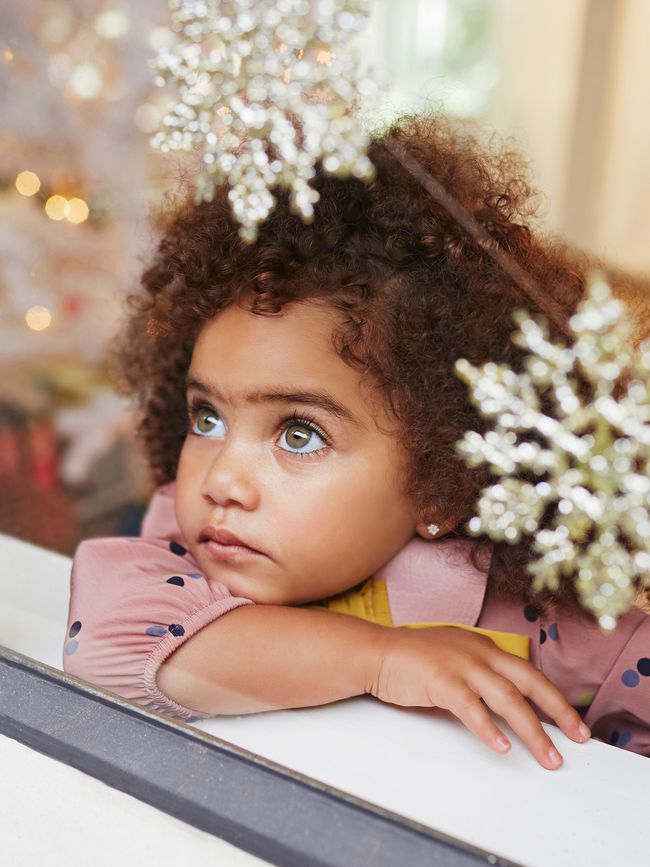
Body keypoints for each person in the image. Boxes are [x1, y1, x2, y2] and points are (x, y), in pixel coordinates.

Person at [63, 114, 650, 765]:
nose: (221, 479)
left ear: (440, 478)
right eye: (208, 418)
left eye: (298, 431)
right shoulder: (182, 550)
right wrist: (379, 658)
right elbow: (107, 645)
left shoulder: (552, 623)